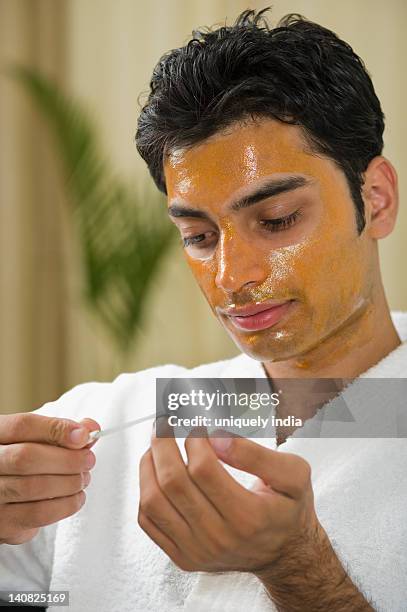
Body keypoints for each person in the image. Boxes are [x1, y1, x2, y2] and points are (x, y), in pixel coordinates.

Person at [0, 8, 406, 611]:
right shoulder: (103, 429)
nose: (230, 275)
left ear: (375, 199)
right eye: (198, 236)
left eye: (276, 221)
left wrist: (294, 567)